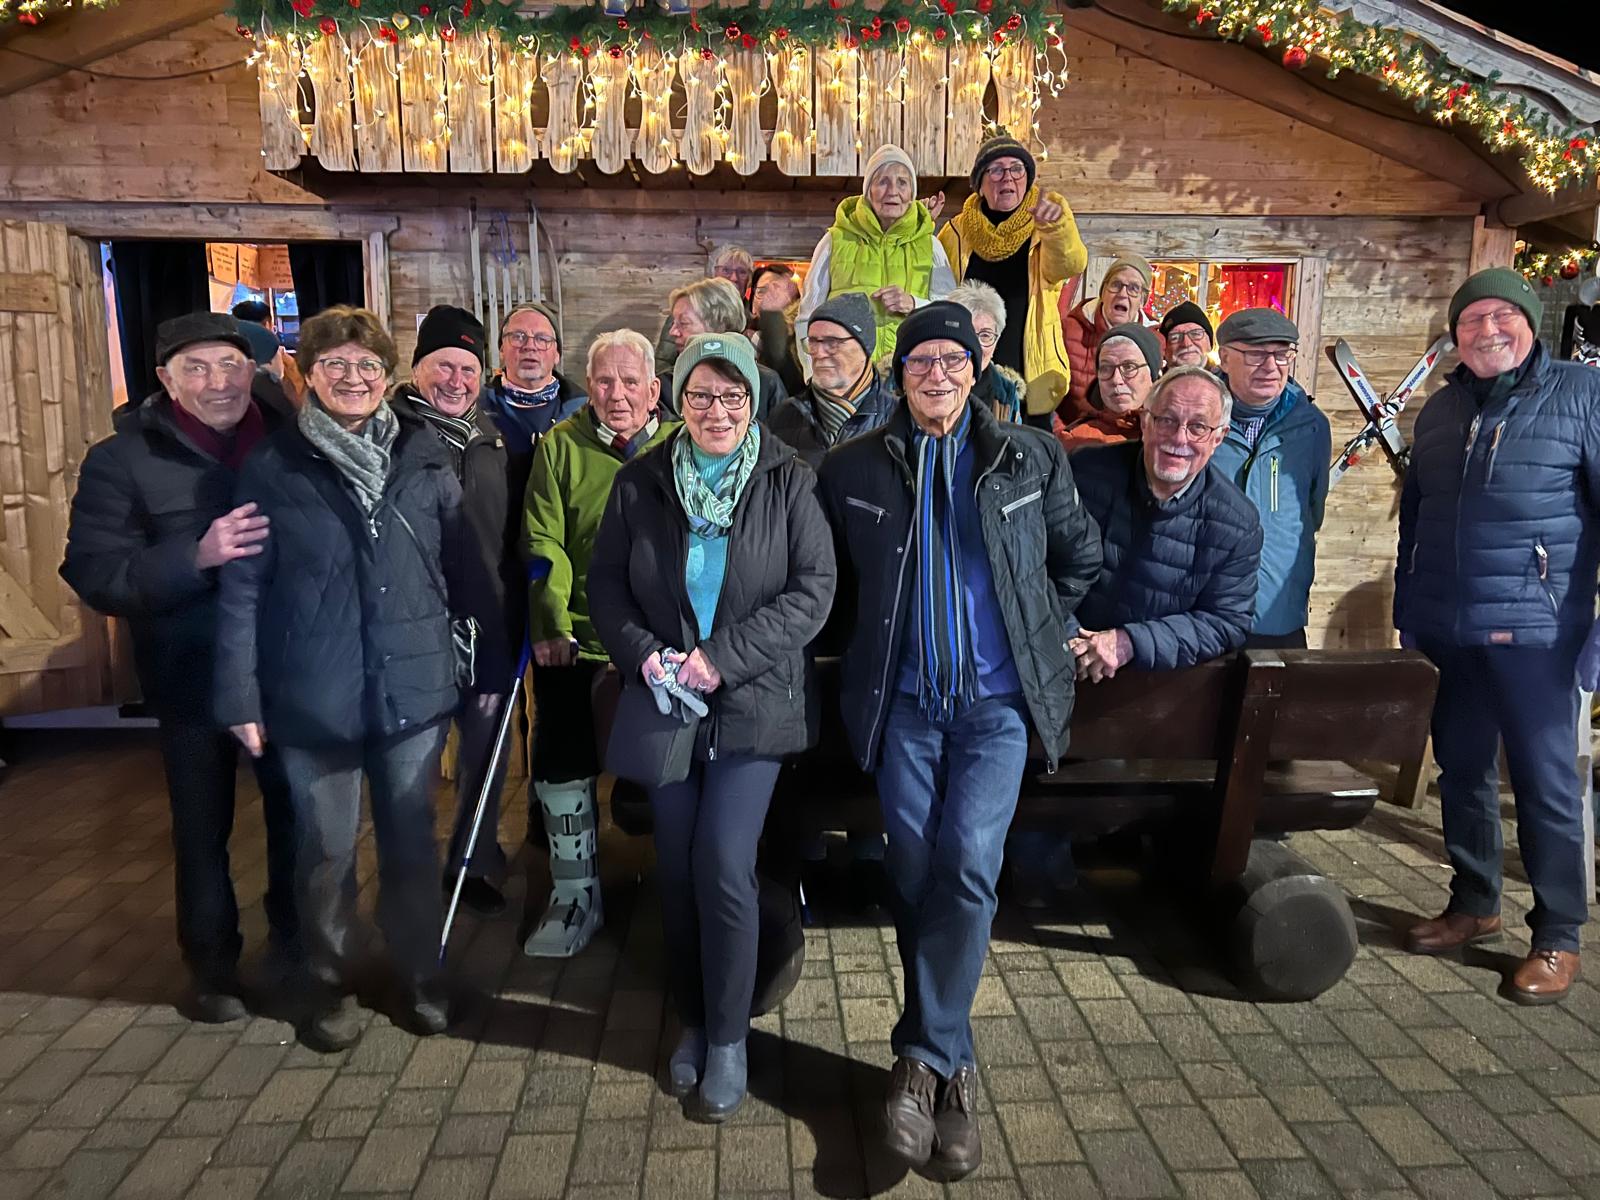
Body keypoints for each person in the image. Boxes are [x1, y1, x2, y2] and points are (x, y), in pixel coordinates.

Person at [818, 302, 1101, 1180]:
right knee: (912, 867)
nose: (936, 375)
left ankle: (920, 1059)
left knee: (970, 862)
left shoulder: (1030, 457)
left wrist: (1036, 625)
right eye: (919, 362)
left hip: (995, 708)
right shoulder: (853, 467)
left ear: (977, 370)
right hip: (904, 704)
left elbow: (1078, 558)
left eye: (951, 360)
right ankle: (954, 1063)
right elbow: (833, 584)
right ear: (898, 375)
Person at [589, 332, 836, 1123]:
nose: (717, 411)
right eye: (702, 395)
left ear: (753, 403)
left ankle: (730, 1037)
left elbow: (813, 590)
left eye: (732, 397)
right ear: (679, 399)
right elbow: (605, 587)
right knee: (674, 867)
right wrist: (647, 657)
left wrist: (720, 659)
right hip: (666, 702)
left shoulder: (788, 479)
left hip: (752, 701)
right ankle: (691, 1018)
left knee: (725, 863)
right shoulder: (641, 482)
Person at [213, 305, 473, 1052]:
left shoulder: (424, 456)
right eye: (335, 365)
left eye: (367, 365)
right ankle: (328, 979)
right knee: (324, 849)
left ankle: (419, 971)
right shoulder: (274, 466)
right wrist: (239, 692)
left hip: (410, 685)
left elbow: (459, 563)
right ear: (308, 374)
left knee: (411, 842)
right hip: (312, 692)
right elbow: (243, 587)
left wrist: (473, 654)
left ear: (387, 377)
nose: (353, 377)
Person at [60, 312, 299, 1023]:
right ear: (166, 380)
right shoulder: (121, 460)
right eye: (197, 368)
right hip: (190, 671)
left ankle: (295, 952)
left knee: (298, 819)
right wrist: (196, 555)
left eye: (230, 365)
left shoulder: (290, 440)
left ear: (251, 371)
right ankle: (212, 967)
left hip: (285, 668)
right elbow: (95, 572)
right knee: (201, 826)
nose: (217, 382)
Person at [1397, 267, 1600, 1004]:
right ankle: (1475, 902)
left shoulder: (1581, 395)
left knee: (1546, 786)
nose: (1487, 330)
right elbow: (1416, 518)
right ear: (1455, 334)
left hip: (1540, 636)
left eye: (1500, 315)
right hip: (1450, 630)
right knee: (1462, 772)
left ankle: (1558, 935)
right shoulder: (1440, 410)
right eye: (1471, 319)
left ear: (1529, 321)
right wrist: (1409, 610)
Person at [521, 329, 676, 958]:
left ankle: (680, 886)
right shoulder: (560, 446)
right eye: (604, 382)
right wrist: (550, 621)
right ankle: (574, 892)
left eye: (630, 382)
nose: (617, 395)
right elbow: (544, 540)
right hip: (580, 635)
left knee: (676, 768)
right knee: (562, 757)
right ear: (588, 386)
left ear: (653, 390)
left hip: (661, 641)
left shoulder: (680, 444)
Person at [391, 305, 525, 918]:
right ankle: (410, 876)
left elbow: (513, 531)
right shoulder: (391, 437)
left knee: (485, 751)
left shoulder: (494, 438)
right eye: (443, 366)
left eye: (468, 368)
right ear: (418, 368)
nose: (456, 380)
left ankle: (473, 858)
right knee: (414, 761)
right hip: (415, 628)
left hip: (487, 623)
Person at [1068, 367, 1262, 679]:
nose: (1179, 438)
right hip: (1056, 662)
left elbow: (1226, 621)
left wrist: (1131, 642)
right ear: (1145, 421)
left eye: (1198, 427)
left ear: (1219, 437)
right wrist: (1072, 640)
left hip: (1152, 683)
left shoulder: (1237, 523)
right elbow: (1036, 566)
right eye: (1167, 420)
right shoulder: (1084, 472)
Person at [939, 135, 1087, 429]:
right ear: (980, 184)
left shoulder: (1046, 224)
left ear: (1027, 179)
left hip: (1032, 374)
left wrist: (1055, 230)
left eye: (1016, 169)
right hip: (970, 376)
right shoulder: (955, 231)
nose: (1007, 177)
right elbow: (941, 296)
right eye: (995, 170)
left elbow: (1070, 265)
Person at [1209, 309, 1330, 649]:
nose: (1270, 366)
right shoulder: (1196, 419)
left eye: (1281, 354)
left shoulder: (1311, 426)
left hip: (1280, 615)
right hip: (1204, 617)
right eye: (1256, 354)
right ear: (1225, 358)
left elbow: (1312, 511)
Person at [797, 144, 956, 366]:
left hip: (909, 373)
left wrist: (914, 303)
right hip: (847, 375)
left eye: (902, 182)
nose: (893, 191)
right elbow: (808, 317)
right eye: (882, 182)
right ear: (868, 191)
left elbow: (951, 312)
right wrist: (812, 372)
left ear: (912, 193)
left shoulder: (931, 246)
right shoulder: (834, 241)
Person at [768, 292, 897, 466]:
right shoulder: (783, 416)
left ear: (863, 347)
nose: (819, 353)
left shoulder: (898, 419)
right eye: (813, 342)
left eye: (832, 342)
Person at [481, 301, 588, 502]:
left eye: (542, 339)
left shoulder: (584, 412)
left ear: (557, 354)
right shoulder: (477, 410)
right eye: (518, 336)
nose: (530, 346)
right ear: (502, 349)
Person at [663, 278, 787, 420]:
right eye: (700, 396)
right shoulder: (666, 385)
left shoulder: (767, 383)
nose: (672, 332)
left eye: (684, 323)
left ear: (720, 325)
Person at [1062, 256, 1152, 419]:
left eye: (1133, 288)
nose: (1122, 294)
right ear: (1103, 292)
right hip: (1074, 430)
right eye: (1115, 285)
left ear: (1143, 300)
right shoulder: (1068, 330)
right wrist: (1062, 433)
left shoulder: (1155, 341)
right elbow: (1051, 396)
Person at [1056, 323, 1161, 452]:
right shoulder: (1075, 441)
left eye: (1129, 367)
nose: (1116, 380)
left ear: (1153, 376)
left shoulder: (1174, 433)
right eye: (1106, 368)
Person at [656, 244, 753, 373]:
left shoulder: (755, 318)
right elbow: (662, 365)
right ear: (714, 273)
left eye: (742, 272)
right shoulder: (685, 310)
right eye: (726, 270)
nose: (734, 278)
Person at [948, 280, 1026, 424]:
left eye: (985, 335)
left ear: (996, 342)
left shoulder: (1006, 392)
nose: (976, 345)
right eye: (968, 332)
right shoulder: (929, 381)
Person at [752, 264, 805, 396]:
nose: (769, 295)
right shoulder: (753, 335)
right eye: (761, 291)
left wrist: (773, 317)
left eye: (776, 287)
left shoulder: (806, 327)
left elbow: (789, 379)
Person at [1160, 300, 1214, 370]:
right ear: (1164, 349)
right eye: (1175, 337)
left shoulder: (1227, 375)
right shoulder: (1148, 376)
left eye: (1195, 334)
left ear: (1209, 343)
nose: (1186, 344)